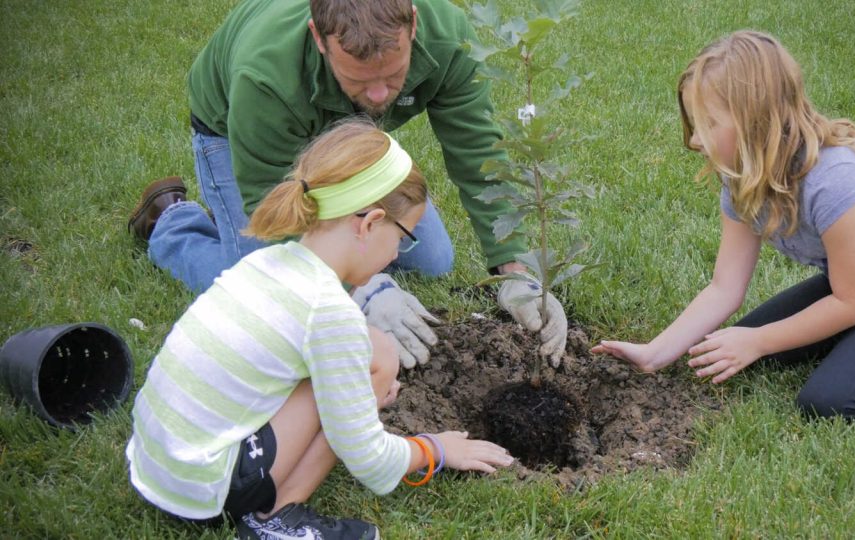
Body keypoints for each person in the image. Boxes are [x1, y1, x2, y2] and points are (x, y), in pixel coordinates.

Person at [591, 31, 855, 423]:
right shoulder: (740, 177)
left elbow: (853, 303)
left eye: (707, 124)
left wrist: (759, 340)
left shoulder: (835, 180)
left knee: (828, 402)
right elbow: (724, 288)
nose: (694, 141)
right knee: (742, 350)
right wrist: (654, 353)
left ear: (757, 120)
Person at [126, 120, 514, 540]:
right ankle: (275, 518)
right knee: (374, 360)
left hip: (160, 467)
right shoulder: (329, 312)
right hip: (204, 493)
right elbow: (370, 459)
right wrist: (436, 449)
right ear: (370, 223)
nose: (396, 254)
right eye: (402, 239)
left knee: (374, 351)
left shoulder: (267, 263)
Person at [126, 0, 567, 369]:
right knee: (274, 300)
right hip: (240, 135)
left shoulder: (449, 38)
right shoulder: (264, 76)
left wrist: (515, 268)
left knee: (432, 260)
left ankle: (226, 219)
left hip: (349, 139)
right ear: (319, 38)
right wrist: (360, 290)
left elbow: (477, 152)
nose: (379, 97)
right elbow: (273, 205)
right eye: (359, 79)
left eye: (392, 76)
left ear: (413, 25)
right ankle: (172, 224)